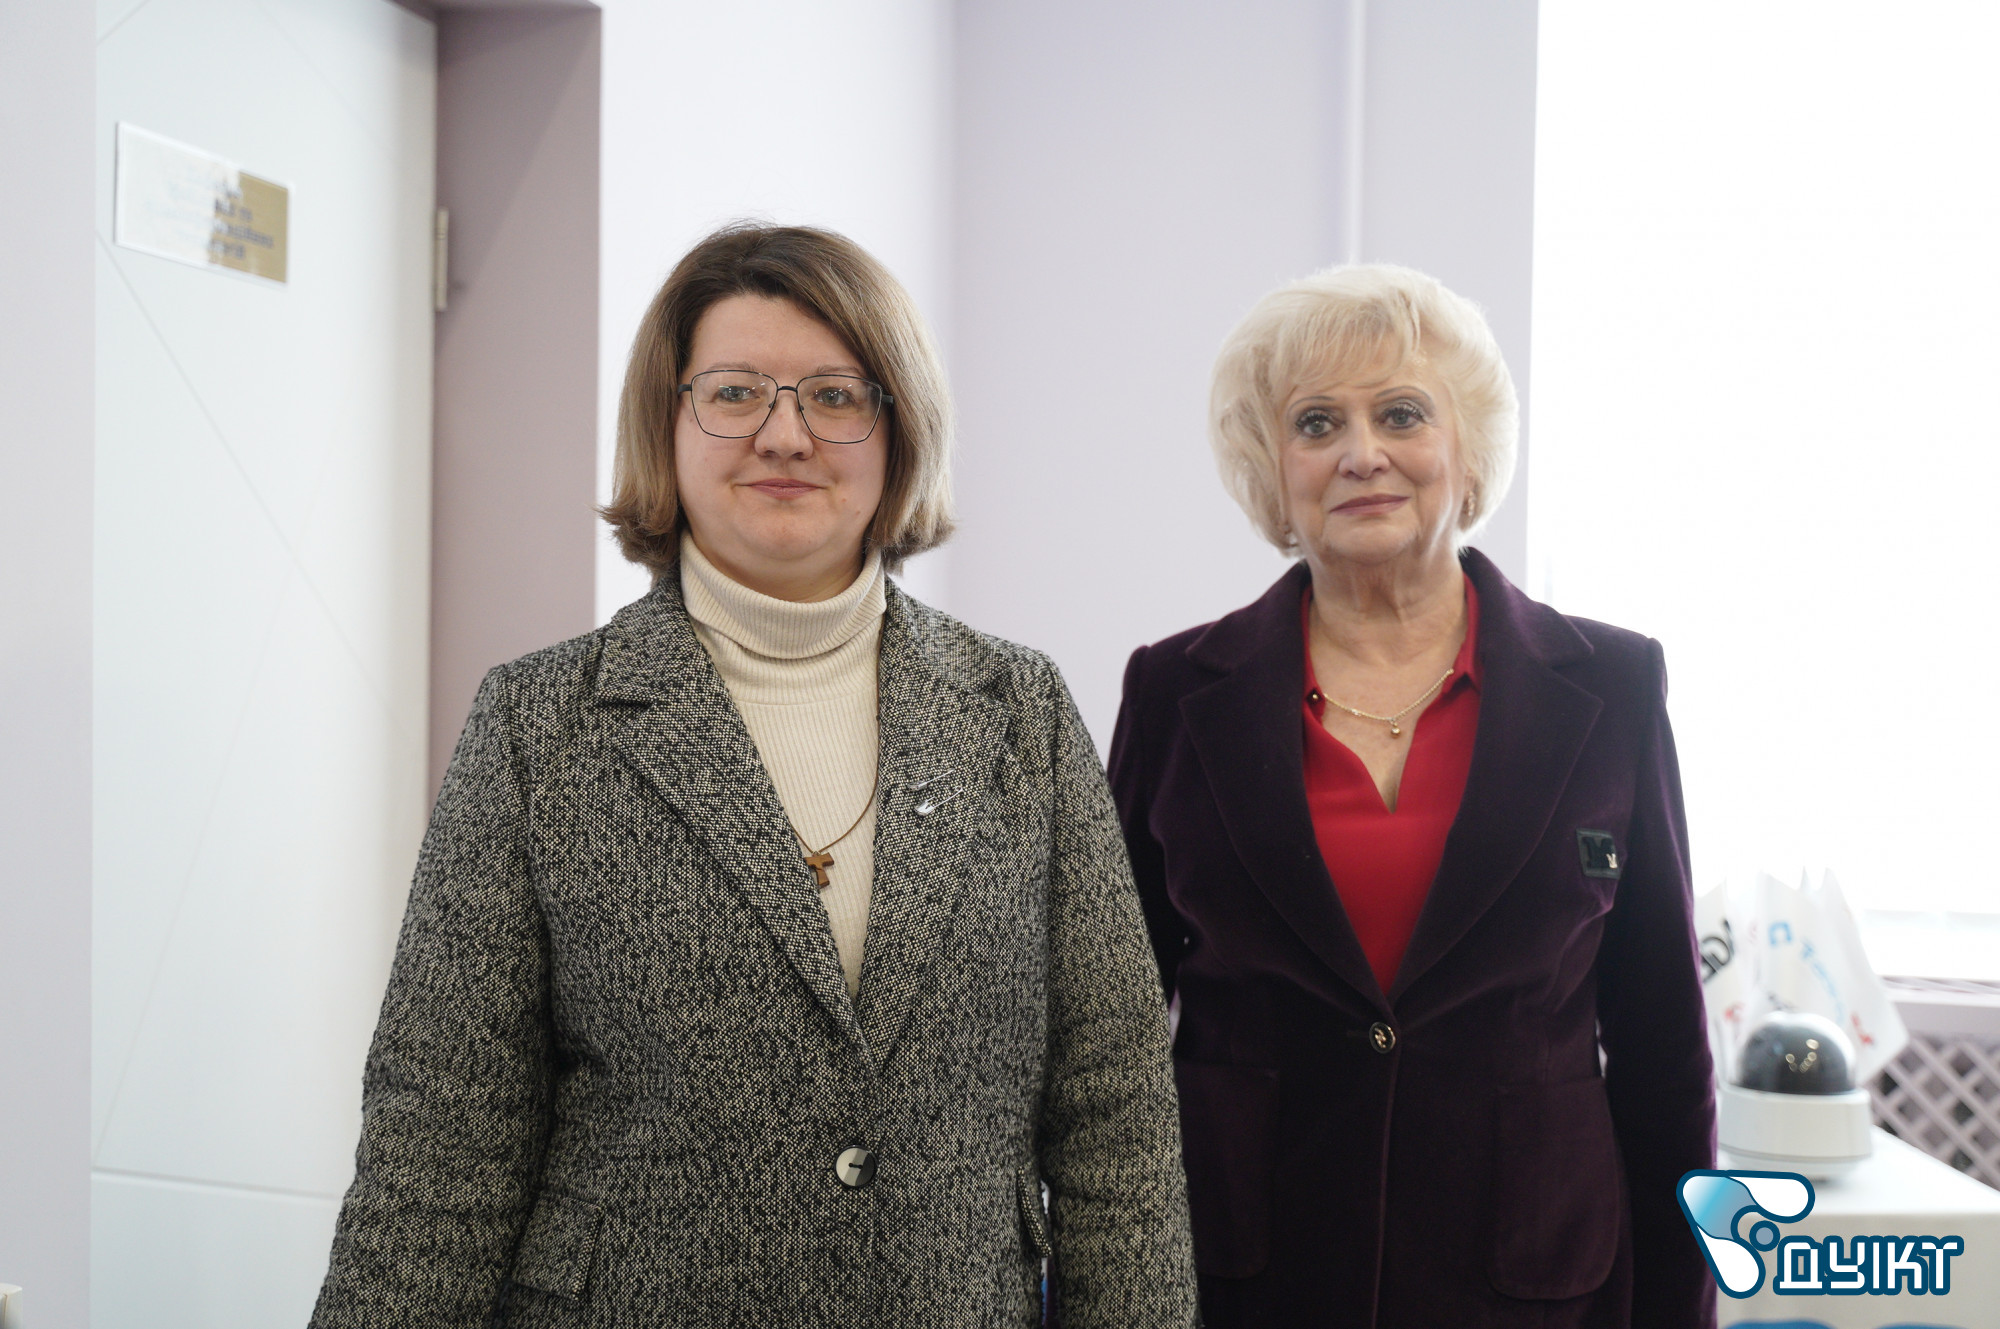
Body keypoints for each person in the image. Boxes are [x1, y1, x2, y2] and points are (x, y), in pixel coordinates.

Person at [310, 223, 1197, 1328]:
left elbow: (1115, 1110)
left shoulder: (1019, 712)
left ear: (899, 429)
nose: (784, 435)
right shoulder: (540, 725)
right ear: (668, 423)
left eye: (835, 396)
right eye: (734, 393)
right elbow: (442, 1133)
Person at [1109, 265, 1715, 1328]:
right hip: (1245, 1277)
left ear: (1465, 450)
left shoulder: (1613, 685)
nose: (1361, 453)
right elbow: (1105, 1039)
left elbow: (1663, 1046)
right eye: (1315, 423)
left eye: (1400, 413)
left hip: (1536, 1283)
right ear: (1271, 467)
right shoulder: (1173, 691)